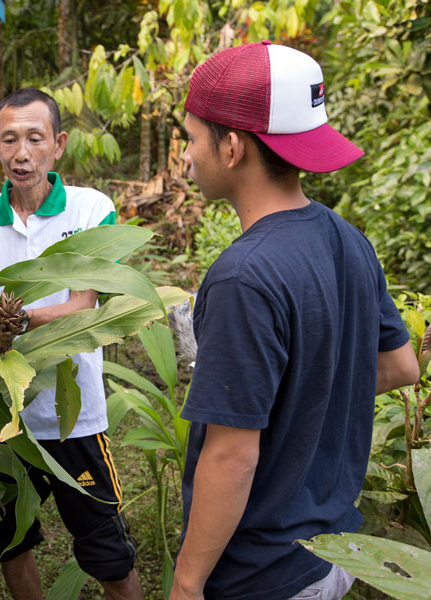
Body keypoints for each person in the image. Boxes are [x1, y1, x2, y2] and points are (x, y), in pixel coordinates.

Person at [170, 42, 420, 600]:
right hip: (332, 556)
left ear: (231, 147)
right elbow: (400, 365)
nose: (186, 155)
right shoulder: (347, 238)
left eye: (191, 137)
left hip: (262, 574)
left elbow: (231, 455)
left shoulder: (243, 277)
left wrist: (186, 585)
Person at [0, 88, 142, 600]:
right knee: (12, 542)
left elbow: (85, 308)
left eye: (34, 138)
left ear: (58, 144)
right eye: (9, 139)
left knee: (106, 550)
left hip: (72, 415)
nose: (21, 153)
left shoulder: (91, 210)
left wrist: (13, 319)